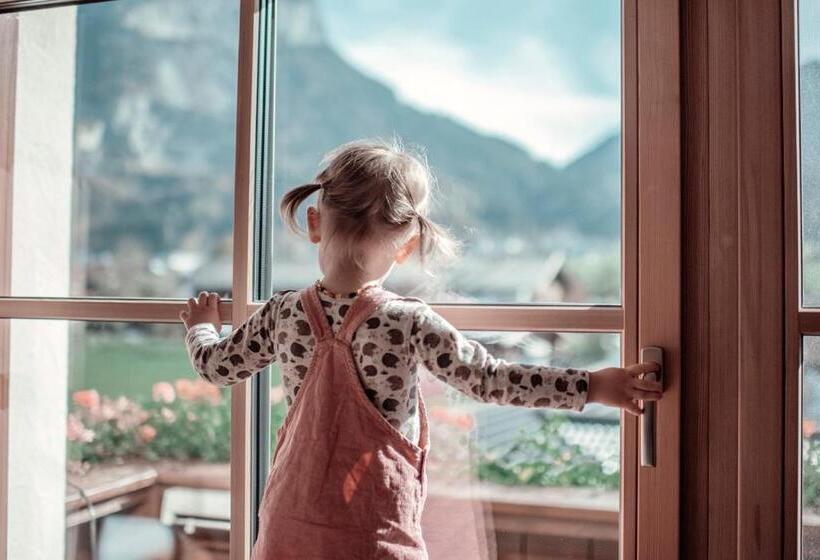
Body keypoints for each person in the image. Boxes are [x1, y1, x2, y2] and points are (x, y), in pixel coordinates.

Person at [181, 139, 663, 559]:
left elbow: (215, 367)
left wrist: (203, 326)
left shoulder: (282, 314)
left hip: (290, 529)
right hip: (373, 535)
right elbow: (490, 380)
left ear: (314, 223)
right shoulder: (407, 321)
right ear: (406, 244)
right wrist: (593, 385)